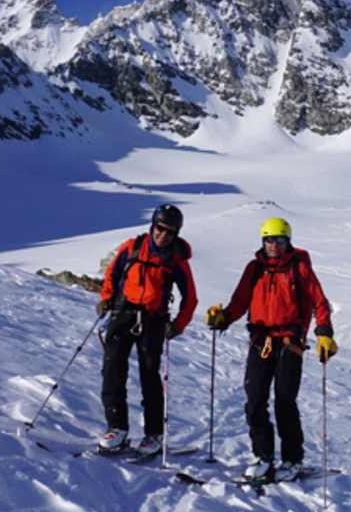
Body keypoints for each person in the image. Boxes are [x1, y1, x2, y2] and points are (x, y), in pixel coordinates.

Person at [205, 217, 336, 482]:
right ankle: (262, 456)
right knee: (254, 400)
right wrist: (224, 317)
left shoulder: (299, 267)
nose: (273, 245)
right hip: (260, 341)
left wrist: (324, 334)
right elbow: (240, 301)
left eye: (278, 240)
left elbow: (319, 302)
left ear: (287, 241)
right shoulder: (254, 269)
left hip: (290, 343)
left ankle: (292, 459)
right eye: (268, 240)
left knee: (284, 402)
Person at [95, 203, 197, 454]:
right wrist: (106, 298)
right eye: (160, 228)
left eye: (170, 231)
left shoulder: (177, 260)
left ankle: (154, 433)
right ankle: (117, 428)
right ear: (153, 225)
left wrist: (178, 325)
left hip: (154, 319)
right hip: (123, 313)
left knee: (150, 376)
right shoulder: (132, 247)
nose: (164, 234)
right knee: (112, 368)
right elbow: (112, 273)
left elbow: (190, 298)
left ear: (177, 233)